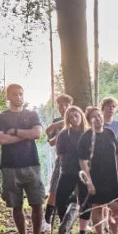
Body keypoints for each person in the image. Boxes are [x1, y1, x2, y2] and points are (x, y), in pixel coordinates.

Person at [0, 83, 48, 234]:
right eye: (15, 94)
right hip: (10, 166)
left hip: (31, 164)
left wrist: (15, 132)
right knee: (16, 205)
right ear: (8, 96)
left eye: (21, 94)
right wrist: (25, 136)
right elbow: (0, 139)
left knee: (37, 203)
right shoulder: (1, 117)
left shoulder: (32, 114)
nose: (19, 97)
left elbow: (37, 134)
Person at [78, 105, 118, 234]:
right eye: (94, 117)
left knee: (115, 207)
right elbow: (83, 161)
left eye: (99, 116)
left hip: (111, 177)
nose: (97, 119)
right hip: (95, 177)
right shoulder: (86, 137)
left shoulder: (110, 133)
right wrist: (89, 182)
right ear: (88, 120)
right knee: (97, 207)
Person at [52, 105, 90, 234]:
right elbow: (60, 153)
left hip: (85, 171)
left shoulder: (88, 133)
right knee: (60, 199)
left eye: (76, 116)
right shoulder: (64, 134)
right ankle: (65, 227)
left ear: (81, 116)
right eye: (71, 117)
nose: (74, 119)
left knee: (85, 200)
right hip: (68, 170)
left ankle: (82, 231)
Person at [100, 96, 118, 234]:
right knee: (104, 200)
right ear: (103, 108)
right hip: (103, 170)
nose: (111, 109)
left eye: (113, 106)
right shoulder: (99, 126)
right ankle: (105, 226)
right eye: (108, 106)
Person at [43, 93, 73, 225]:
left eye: (66, 105)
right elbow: (51, 141)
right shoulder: (56, 122)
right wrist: (61, 131)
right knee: (54, 190)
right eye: (61, 105)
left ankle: (77, 221)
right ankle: (47, 220)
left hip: (77, 160)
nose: (64, 107)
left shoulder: (77, 118)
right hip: (61, 159)